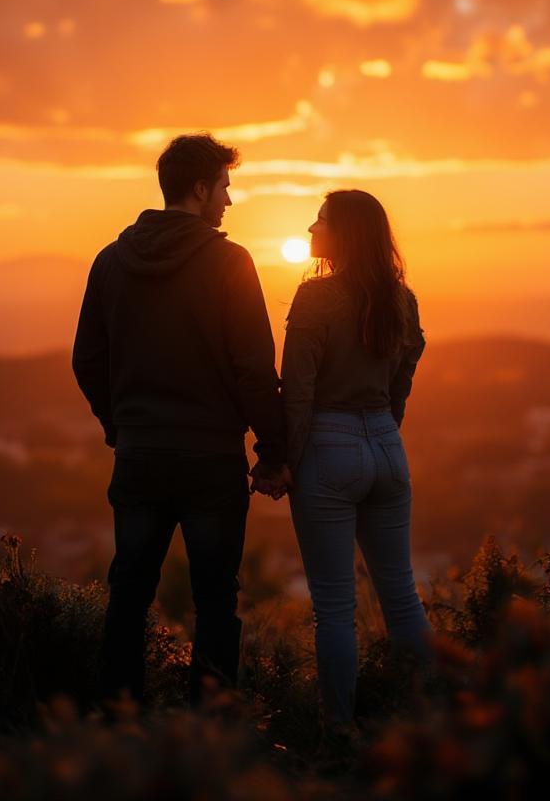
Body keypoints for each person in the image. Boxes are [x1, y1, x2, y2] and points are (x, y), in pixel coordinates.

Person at [72, 133, 289, 706]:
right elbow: (254, 371)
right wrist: (274, 451)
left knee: (128, 593)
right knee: (216, 599)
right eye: (224, 186)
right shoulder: (229, 263)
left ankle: (117, 721)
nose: (229, 200)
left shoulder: (111, 261)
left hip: (140, 456)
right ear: (199, 188)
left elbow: (87, 360)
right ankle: (210, 733)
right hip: (211, 460)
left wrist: (120, 426)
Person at [282, 189, 433, 732]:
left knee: (334, 607)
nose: (310, 227)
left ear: (342, 232)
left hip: (329, 444)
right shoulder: (401, 299)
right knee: (401, 594)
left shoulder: (315, 298)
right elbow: (403, 379)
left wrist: (284, 460)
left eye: (320, 219)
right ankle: (430, 718)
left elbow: (297, 392)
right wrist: (383, 428)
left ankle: (339, 733)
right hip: (388, 445)